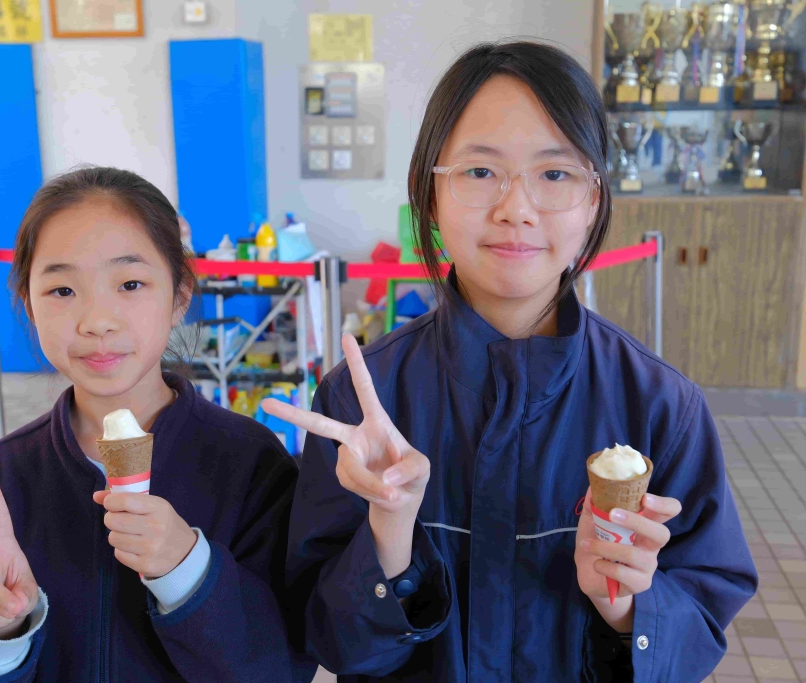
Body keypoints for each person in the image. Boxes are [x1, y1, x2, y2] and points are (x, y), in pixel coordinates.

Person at [264, 42, 758, 682]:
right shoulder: (361, 404)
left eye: (554, 174)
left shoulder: (661, 407)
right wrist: (389, 537)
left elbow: (701, 622)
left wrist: (628, 606)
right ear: (430, 195)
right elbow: (332, 643)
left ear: (594, 200)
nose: (515, 209)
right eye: (479, 171)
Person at [0, 167, 315, 683]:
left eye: (130, 284)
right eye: (62, 290)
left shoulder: (251, 464)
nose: (97, 321)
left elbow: (285, 664)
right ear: (28, 304)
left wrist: (188, 570)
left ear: (180, 295)